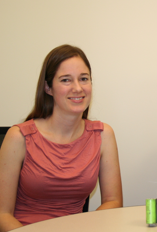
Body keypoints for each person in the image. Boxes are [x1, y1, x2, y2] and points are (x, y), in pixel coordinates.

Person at [0, 45, 123, 231]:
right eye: (66, 80)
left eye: (84, 79)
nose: (77, 88)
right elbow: (2, 214)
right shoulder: (19, 137)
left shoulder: (103, 135)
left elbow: (113, 201)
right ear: (48, 87)